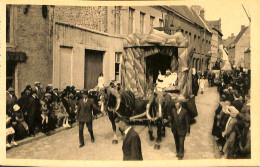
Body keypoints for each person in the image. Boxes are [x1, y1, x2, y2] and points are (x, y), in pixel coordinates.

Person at [169, 95, 190, 160]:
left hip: (182, 130)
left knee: (181, 142)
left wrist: (188, 131)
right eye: (175, 103)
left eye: (177, 103)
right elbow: (171, 119)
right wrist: (167, 121)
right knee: (177, 142)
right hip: (175, 130)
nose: (175, 104)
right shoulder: (173, 110)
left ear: (180, 104)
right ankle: (178, 152)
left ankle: (181, 154)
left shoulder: (184, 111)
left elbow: (187, 122)